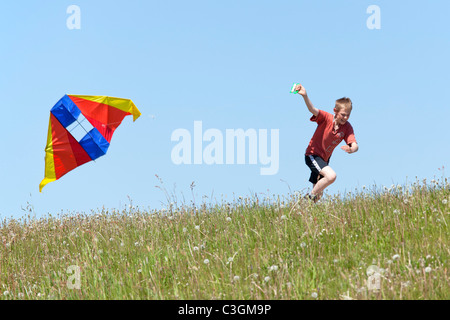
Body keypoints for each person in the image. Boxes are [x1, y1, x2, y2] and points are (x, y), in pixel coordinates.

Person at [294, 84, 359, 202]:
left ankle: (303, 211)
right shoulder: (326, 118)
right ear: (335, 111)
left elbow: (354, 144)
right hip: (313, 155)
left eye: (348, 115)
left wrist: (351, 149)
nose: (345, 118)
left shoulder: (347, 127)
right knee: (331, 176)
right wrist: (305, 96)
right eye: (343, 115)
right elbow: (312, 109)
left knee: (318, 195)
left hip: (324, 160)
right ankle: (306, 200)